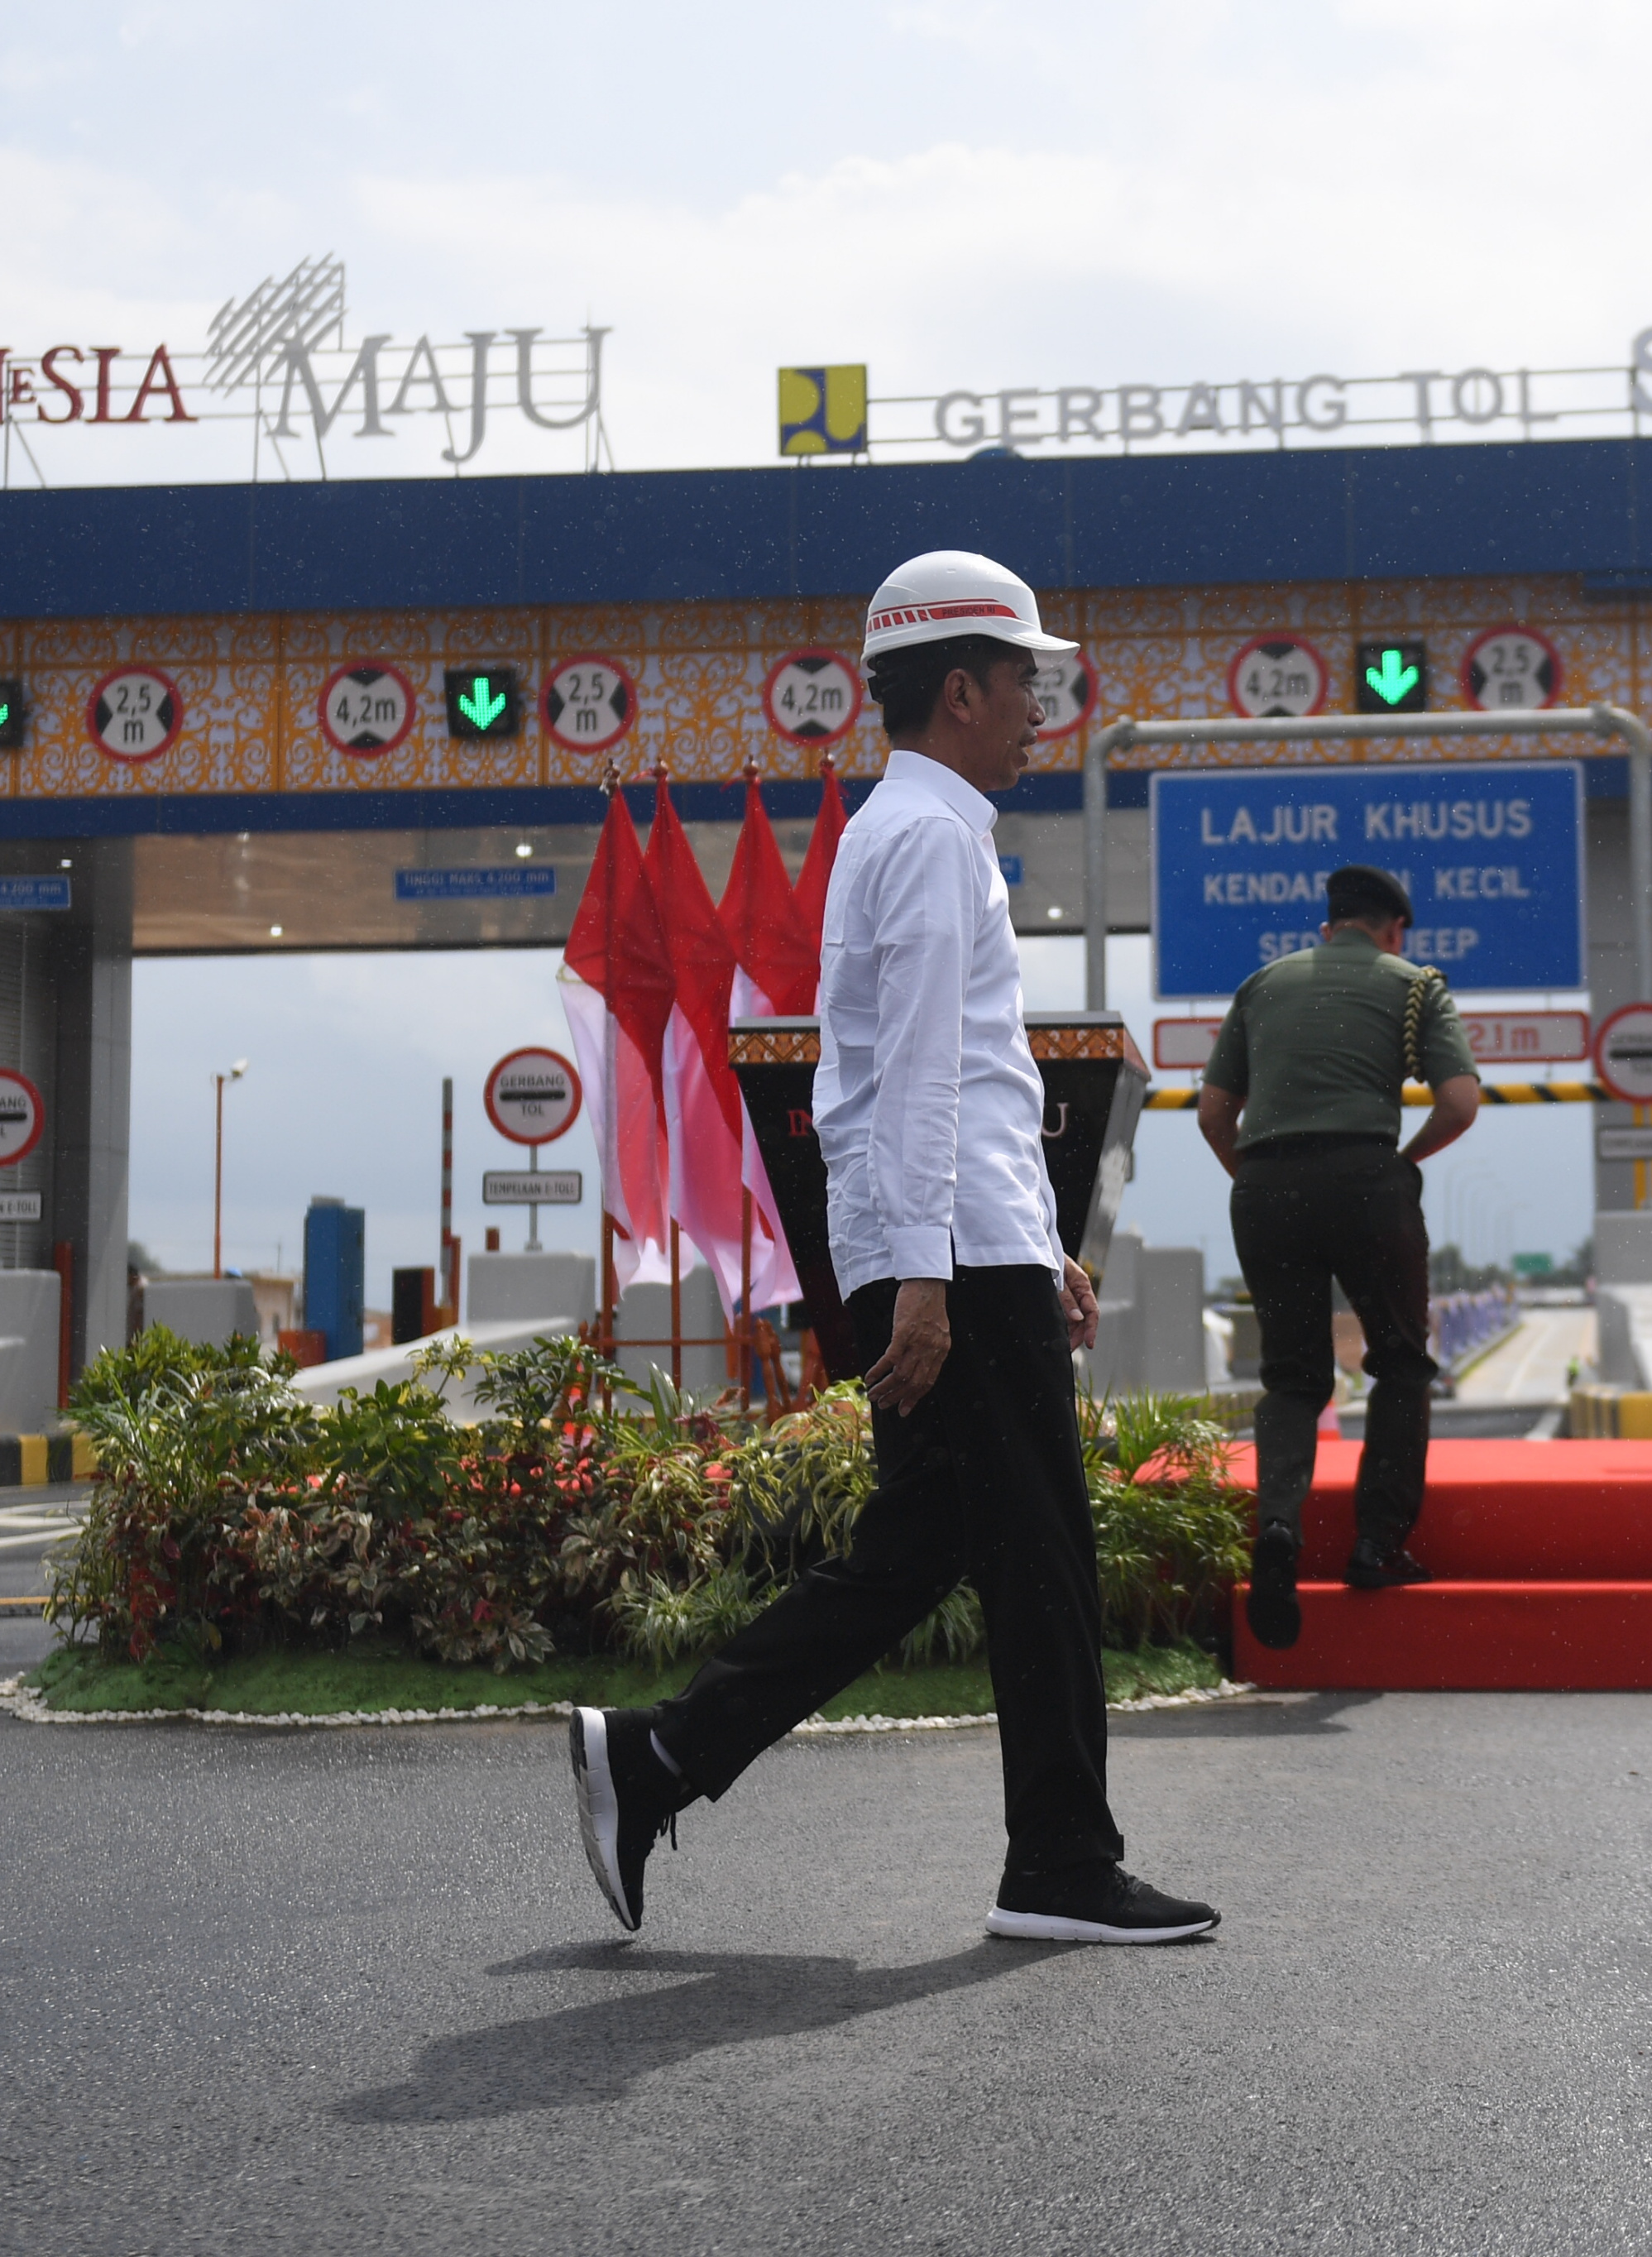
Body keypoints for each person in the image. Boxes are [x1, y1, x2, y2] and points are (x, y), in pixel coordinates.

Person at [569, 549, 1219, 1948]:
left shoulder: (919, 828)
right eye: (1030, 682)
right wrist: (933, 1274)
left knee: (923, 1549)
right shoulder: (930, 837)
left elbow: (960, 1081)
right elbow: (919, 1071)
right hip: (950, 1262)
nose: (1046, 707)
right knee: (1039, 1555)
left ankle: (664, 1756)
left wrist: (1035, 1247)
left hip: (970, 1247)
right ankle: (1056, 1859)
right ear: (965, 687)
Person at [1196, 865, 1482, 1648]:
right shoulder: (1414, 983)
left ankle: (1280, 1527)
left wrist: (1262, 1179)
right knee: (1397, 1361)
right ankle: (1375, 1544)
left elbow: (1215, 1113)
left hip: (1265, 1186)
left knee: (1291, 1377)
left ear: (1327, 928)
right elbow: (1459, 1102)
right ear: (1394, 929)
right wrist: (1404, 1163)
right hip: (1367, 1181)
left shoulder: (1263, 983)